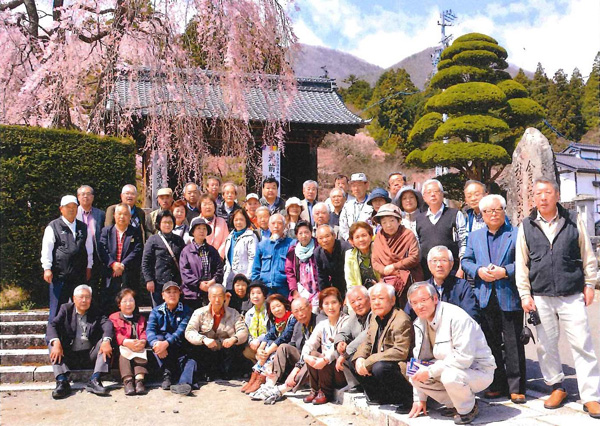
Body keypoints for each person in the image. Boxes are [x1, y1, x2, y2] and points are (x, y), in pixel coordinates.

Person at [515, 178, 600, 417]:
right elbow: (522, 263)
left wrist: (589, 283)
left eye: (547, 192)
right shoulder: (527, 224)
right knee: (545, 345)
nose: (543, 197)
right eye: (538, 193)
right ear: (534, 198)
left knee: (582, 345)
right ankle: (556, 386)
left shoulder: (573, 219)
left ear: (556, 195)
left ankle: (591, 396)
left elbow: (587, 253)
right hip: (540, 295)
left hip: (571, 293)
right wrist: (524, 294)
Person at [462, 195, 525, 403]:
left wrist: (505, 271)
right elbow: (466, 261)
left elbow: (525, 262)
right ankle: (496, 384)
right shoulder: (475, 236)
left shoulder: (516, 234)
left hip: (509, 294)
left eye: (497, 209)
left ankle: (516, 386)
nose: (493, 214)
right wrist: (478, 271)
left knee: (513, 342)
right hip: (485, 296)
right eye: (487, 211)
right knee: (491, 344)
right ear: (482, 215)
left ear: (504, 210)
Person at [407, 281, 495, 424]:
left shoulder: (457, 317)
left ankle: (467, 409)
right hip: (449, 366)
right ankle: (455, 403)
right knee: (414, 372)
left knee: (450, 376)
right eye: (414, 303)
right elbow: (418, 358)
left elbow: (463, 358)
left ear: (435, 299)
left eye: (423, 300)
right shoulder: (419, 322)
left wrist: (430, 371)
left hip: (477, 370)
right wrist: (419, 399)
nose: (419, 306)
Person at [351, 283, 414, 413]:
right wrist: (360, 358)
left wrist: (370, 360)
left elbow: (400, 351)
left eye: (381, 298)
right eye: (373, 299)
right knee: (354, 360)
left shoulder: (401, 320)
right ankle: (381, 396)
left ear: (392, 301)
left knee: (379, 367)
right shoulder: (375, 317)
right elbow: (367, 342)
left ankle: (407, 400)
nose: (376, 303)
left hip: (401, 366)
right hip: (382, 361)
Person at [47, 285, 113, 399]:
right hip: (70, 354)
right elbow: (52, 325)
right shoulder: (66, 309)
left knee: (105, 342)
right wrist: (56, 341)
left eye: (87, 297)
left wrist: (106, 340)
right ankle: (62, 381)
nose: (84, 300)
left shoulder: (95, 310)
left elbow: (108, 324)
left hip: (90, 355)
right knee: (52, 343)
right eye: (81, 297)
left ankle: (95, 379)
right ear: (74, 298)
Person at [250, 297, 319, 404]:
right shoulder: (297, 324)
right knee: (283, 347)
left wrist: (297, 368)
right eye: (296, 311)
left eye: (302, 309)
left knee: (312, 356)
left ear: (310, 307)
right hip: (301, 357)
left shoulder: (319, 322)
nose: (300, 314)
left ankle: (282, 389)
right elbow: (291, 344)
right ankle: (270, 384)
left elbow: (314, 351)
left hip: (317, 360)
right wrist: (272, 364)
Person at [41, 195, 93, 321]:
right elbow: (47, 248)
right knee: (57, 309)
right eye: (68, 207)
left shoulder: (83, 227)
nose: (71, 210)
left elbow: (89, 248)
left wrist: (89, 266)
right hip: (60, 276)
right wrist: (47, 268)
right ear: (61, 209)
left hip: (78, 275)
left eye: (74, 207)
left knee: (80, 308)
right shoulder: (53, 226)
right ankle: (53, 339)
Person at [185, 284, 249, 381]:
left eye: (220, 296)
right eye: (214, 296)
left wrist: (234, 339)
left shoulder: (233, 313)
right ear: (209, 297)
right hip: (207, 349)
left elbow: (243, 331)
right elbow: (189, 331)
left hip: (226, 350)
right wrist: (203, 340)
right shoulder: (199, 312)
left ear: (224, 297)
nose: (217, 300)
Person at [146, 281, 196, 396]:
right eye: (168, 292)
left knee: (192, 360)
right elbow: (150, 331)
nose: (172, 295)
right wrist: (156, 343)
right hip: (163, 351)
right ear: (163, 295)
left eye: (175, 292)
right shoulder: (156, 311)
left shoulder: (187, 311)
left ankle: (184, 384)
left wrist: (166, 342)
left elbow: (180, 332)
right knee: (157, 339)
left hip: (180, 347)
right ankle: (166, 374)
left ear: (180, 294)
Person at [405, 245, 479, 322]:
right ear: (428, 264)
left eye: (444, 260)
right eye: (434, 261)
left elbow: (471, 315)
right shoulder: (421, 289)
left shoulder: (462, 286)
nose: (439, 265)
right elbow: (407, 317)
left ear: (451, 264)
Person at [301, 287, 348, 405]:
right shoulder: (322, 324)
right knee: (312, 354)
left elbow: (336, 348)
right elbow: (310, 343)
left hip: (341, 370)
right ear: (321, 307)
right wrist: (306, 356)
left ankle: (325, 392)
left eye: (334, 302)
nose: (330, 307)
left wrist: (325, 359)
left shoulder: (346, 321)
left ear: (340, 303)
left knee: (328, 357)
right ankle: (315, 389)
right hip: (326, 370)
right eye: (326, 304)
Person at [371, 203, 423, 308]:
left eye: (391, 221)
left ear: (399, 221)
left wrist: (395, 266)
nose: (388, 225)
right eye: (384, 222)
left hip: (408, 281)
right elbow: (375, 262)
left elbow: (414, 257)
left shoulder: (407, 235)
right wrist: (384, 270)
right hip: (387, 280)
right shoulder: (378, 238)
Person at [245, 294, 297, 395]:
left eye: (278, 306)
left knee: (272, 351)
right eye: (273, 308)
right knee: (268, 343)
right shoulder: (277, 321)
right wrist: (261, 349)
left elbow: (285, 337)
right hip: (277, 348)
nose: (277, 310)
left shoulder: (292, 318)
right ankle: (255, 375)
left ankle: (263, 377)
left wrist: (267, 352)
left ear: (284, 305)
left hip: (289, 350)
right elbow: (269, 335)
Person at [416, 179, 467, 279]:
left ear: (442, 194)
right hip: (427, 273)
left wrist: (461, 268)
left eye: (436, 191)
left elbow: (463, 242)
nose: (433, 195)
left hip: (453, 271)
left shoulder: (455, 214)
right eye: (429, 192)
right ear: (424, 197)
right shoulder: (419, 219)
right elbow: (417, 246)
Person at [98, 203, 143, 314]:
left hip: (128, 274)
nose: (122, 217)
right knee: (109, 305)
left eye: (125, 214)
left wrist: (122, 265)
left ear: (130, 217)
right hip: (110, 274)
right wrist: (113, 264)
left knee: (129, 303)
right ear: (114, 215)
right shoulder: (106, 231)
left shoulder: (135, 232)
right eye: (119, 214)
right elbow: (102, 249)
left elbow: (137, 251)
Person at [142, 210, 186, 307]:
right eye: (164, 222)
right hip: (158, 283)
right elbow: (146, 262)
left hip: (175, 282)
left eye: (170, 222)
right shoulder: (152, 240)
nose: (167, 225)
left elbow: (184, 261)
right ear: (159, 224)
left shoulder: (178, 240)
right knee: (159, 310)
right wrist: (149, 280)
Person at [108, 289, 148, 396]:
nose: (128, 304)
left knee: (141, 351)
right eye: (125, 301)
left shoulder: (141, 318)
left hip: (137, 345)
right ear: (119, 304)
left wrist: (143, 341)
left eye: (131, 300)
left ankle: (139, 381)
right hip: (122, 347)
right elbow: (115, 333)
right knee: (124, 352)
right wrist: (125, 342)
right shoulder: (114, 317)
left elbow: (144, 332)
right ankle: (128, 381)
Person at [179, 217, 224, 310]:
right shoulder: (186, 251)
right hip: (191, 295)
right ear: (193, 232)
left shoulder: (212, 250)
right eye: (198, 228)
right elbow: (185, 272)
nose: (202, 231)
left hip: (210, 294)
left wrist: (213, 281)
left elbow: (219, 269)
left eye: (204, 228)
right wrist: (199, 284)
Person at [334, 286, 372, 391]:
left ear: (368, 298)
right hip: (358, 350)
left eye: (360, 299)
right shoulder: (353, 316)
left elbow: (366, 335)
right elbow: (343, 332)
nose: (357, 304)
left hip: (371, 351)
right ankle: (354, 384)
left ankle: (369, 387)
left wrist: (346, 352)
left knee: (349, 354)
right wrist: (340, 342)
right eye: (353, 302)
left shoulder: (374, 313)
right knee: (337, 351)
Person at [251, 214, 294, 297]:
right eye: (273, 223)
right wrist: (257, 287)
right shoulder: (262, 245)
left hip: (284, 289)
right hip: (266, 289)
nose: (276, 226)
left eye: (279, 223)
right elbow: (255, 270)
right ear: (269, 226)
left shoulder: (291, 244)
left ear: (285, 226)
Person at [76, 185, 105, 290]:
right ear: (78, 197)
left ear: (92, 197)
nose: (85, 197)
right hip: (78, 255)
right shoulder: (73, 214)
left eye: (88, 194)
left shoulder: (100, 214)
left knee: (94, 286)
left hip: (96, 255)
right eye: (82, 194)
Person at [285, 221, 319, 310]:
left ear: (311, 233)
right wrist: (294, 291)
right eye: (300, 233)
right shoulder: (293, 251)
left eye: (306, 232)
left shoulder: (319, 247)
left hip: (318, 290)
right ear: (296, 235)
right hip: (301, 290)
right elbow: (289, 272)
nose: (304, 236)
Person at [222, 208, 258, 289]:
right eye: (236, 220)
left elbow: (253, 258)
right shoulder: (230, 236)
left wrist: (248, 278)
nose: (238, 222)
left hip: (244, 279)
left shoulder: (251, 236)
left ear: (246, 221)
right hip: (230, 279)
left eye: (241, 219)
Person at [314, 225, 352, 299]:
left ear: (334, 235)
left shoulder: (346, 248)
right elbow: (322, 277)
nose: (324, 240)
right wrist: (325, 296)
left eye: (327, 236)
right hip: (335, 288)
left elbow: (352, 273)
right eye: (320, 238)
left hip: (350, 284)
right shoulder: (317, 253)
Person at [242, 280, 269, 365]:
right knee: (246, 351)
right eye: (252, 293)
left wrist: (259, 340)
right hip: (254, 344)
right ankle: (258, 369)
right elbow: (247, 332)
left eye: (258, 293)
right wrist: (251, 342)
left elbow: (271, 330)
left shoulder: (269, 310)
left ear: (264, 295)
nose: (255, 296)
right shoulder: (249, 313)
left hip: (267, 342)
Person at [339, 173, 373, 240]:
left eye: (359, 185)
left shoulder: (372, 204)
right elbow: (342, 226)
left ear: (366, 185)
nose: (356, 189)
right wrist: (349, 239)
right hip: (351, 242)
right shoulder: (347, 205)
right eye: (353, 186)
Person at [345, 222, 379, 289]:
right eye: (357, 237)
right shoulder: (349, 255)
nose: (361, 240)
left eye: (364, 235)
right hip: (361, 294)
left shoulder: (379, 249)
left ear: (371, 236)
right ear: (352, 241)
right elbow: (350, 282)